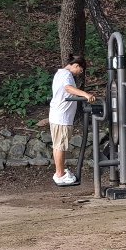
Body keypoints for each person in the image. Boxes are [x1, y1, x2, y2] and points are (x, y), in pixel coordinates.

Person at [48, 54, 95, 186]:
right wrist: (85, 94)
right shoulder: (66, 75)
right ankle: (59, 174)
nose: (79, 73)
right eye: (80, 70)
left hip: (59, 115)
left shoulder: (60, 74)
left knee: (59, 145)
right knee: (60, 146)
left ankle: (60, 172)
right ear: (76, 65)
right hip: (61, 117)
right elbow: (68, 88)